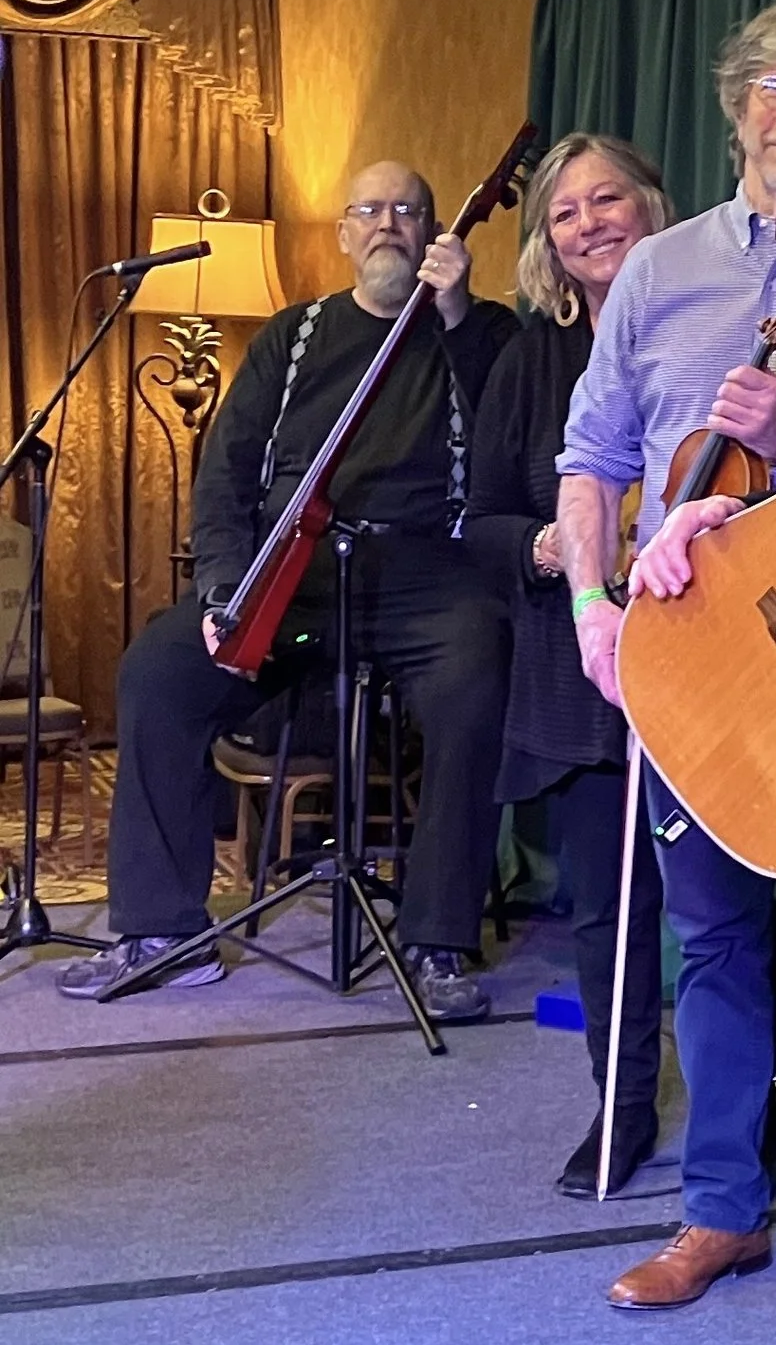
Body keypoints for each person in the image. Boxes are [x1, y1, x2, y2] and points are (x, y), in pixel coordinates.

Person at [558, 0, 776, 1337]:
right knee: (711, 942)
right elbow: (592, 458)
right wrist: (597, 603)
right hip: (686, 665)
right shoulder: (657, 272)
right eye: (774, 86)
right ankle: (719, 1213)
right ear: (737, 106)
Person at [61, 165, 516, 1015]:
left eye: (409, 210)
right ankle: (162, 930)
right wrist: (228, 586)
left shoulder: (479, 329)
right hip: (293, 571)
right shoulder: (292, 336)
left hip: (427, 575)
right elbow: (226, 475)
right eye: (370, 210)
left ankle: (437, 942)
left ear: (432, 232)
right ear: (343, 232)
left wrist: (454, 317)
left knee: (477, 681)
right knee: (158, 673)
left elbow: (507, 434)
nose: (390, 224)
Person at [464, 133, 672, 1195]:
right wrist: (556, 546)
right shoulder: (529, 358)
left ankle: (744, 1121)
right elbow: (480, 519)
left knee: (729, 911)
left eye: (609, 200)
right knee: (608, 909)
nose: (591, 222)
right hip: (587, 669)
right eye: (566, 211)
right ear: (547, 239)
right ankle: (621, 1108)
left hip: (717, 662)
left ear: (650, 203)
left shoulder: (703, 318)